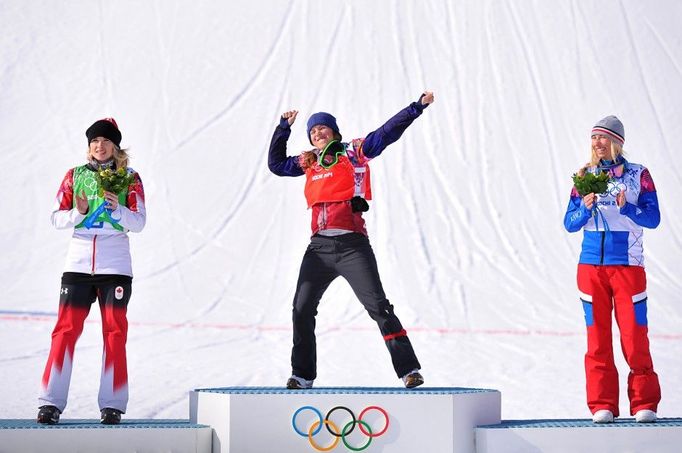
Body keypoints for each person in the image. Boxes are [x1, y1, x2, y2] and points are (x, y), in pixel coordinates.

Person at [268, 91, 434, 389]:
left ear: (334, 131)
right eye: (313, 130)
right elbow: (276, 165)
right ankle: (302, 375)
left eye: (323, 127)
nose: (317, 132)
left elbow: (385, 133)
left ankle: (409, 370)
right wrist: (283, 129)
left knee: (379, 307)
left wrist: (415, 108)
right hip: (318, 249)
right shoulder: (308, 161)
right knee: (301, 309)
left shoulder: (353, 152)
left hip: (352, 246)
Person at [37, 118, 146, 425]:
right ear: (89, 147)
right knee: (64, 331)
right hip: (79, 264)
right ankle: (50, 403)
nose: (100, 146)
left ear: (115, 146)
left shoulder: (130, 178)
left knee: (114, 333)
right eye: (94, 141)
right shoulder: (74, 176)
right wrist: (78, 212)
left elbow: (139, 223)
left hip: (115, 266)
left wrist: (118, 209)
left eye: (106, 141)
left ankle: (112, 404)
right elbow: (55, 218)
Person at [564, 115, 661, 424]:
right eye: (594, 138)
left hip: (628, 268)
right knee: (597, 339)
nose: (598, 143)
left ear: (617, 142)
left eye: (604, 138)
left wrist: (627, 208)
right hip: (591, 268)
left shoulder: (638, 174)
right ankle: (602, 403)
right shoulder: (584, 175)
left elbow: (653, 218)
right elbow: (569, 223)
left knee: (634, 337)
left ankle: (644, 403)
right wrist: (584, 207)